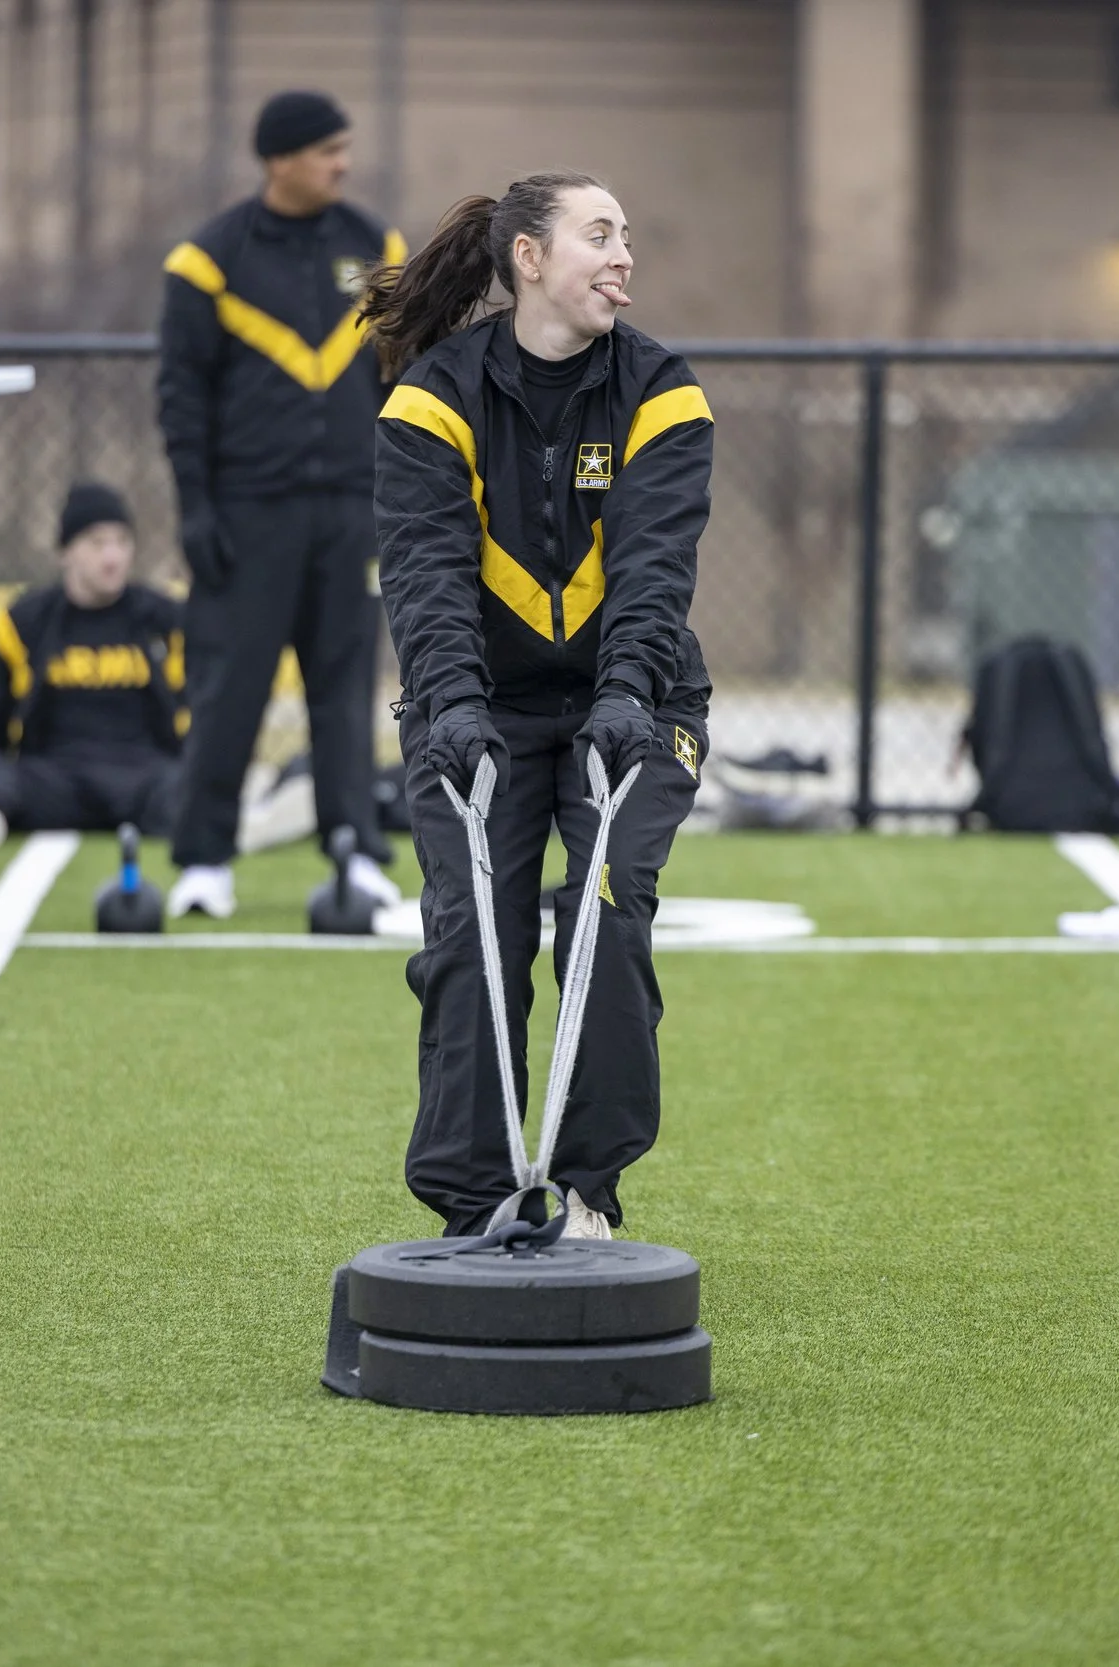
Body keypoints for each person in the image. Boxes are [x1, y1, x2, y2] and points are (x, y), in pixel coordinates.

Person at [364, 173, 713, 1240]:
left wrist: (623, 694)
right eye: (598, 234)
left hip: (637, 702)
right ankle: (475, 1198)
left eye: (627, 236)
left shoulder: (662, 390)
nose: (624, 256)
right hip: (480, 708)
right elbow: (423, 571)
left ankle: (587, 1190)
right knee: (472, 930)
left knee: (603, 912)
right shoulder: (432, 395)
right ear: (529, 258)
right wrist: (453, 710)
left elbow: (655, 568)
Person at [157, 89, 405, 920]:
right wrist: (194, 506)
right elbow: (181, 396)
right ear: (280, 160)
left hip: (350, 509)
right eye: (328, 150)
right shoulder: (208, 259)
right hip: (247, 514)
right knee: (231, 689)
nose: (343, 163)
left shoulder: (375, 246)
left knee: (344, 687)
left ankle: (357, 851)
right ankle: (202, 861)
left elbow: (403, 378)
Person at [0, 484, 187, 840]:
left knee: (187, 787)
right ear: (66, 552)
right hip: (52, 780)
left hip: (145, 778)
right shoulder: (24, 623)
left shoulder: (165, 620)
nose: (112, 557)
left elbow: (198, 715)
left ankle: (253, 815)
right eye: (96, 544)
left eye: (122, 542)